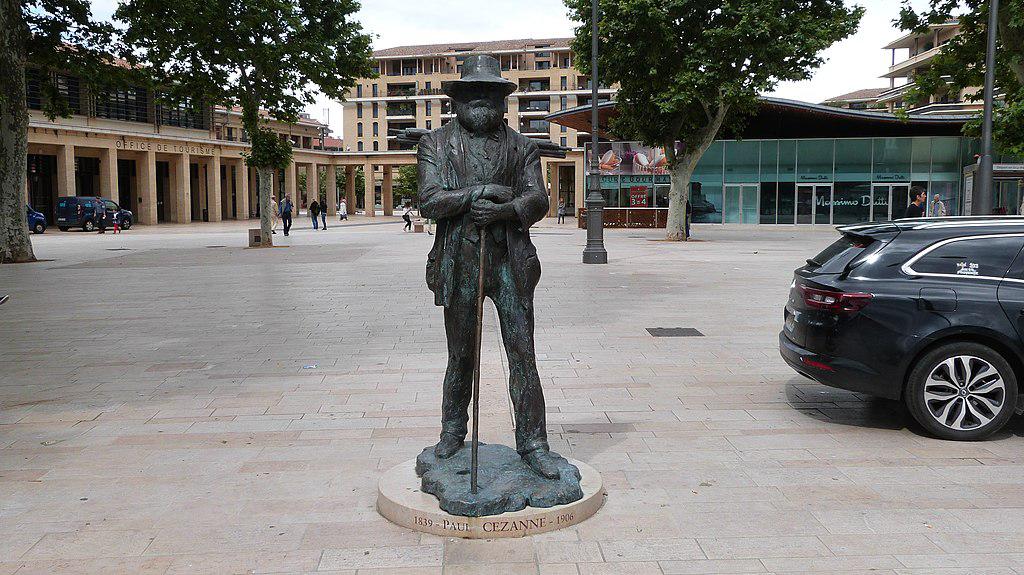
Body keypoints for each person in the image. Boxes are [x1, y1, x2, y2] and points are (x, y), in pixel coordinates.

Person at [418, 54, 562, 479]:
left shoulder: (524, 147)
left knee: (523, 352)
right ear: (457, 101)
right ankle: (452, 430)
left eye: (491, 95)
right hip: (459, 261)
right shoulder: (435, 144)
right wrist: (480, 191)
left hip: (510, 262)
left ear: (503, 103)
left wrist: (504, 210)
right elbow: (430, 201)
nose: (481, 102)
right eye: (472, 94)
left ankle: (534, 442)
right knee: (460, 353)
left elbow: (538, 200)